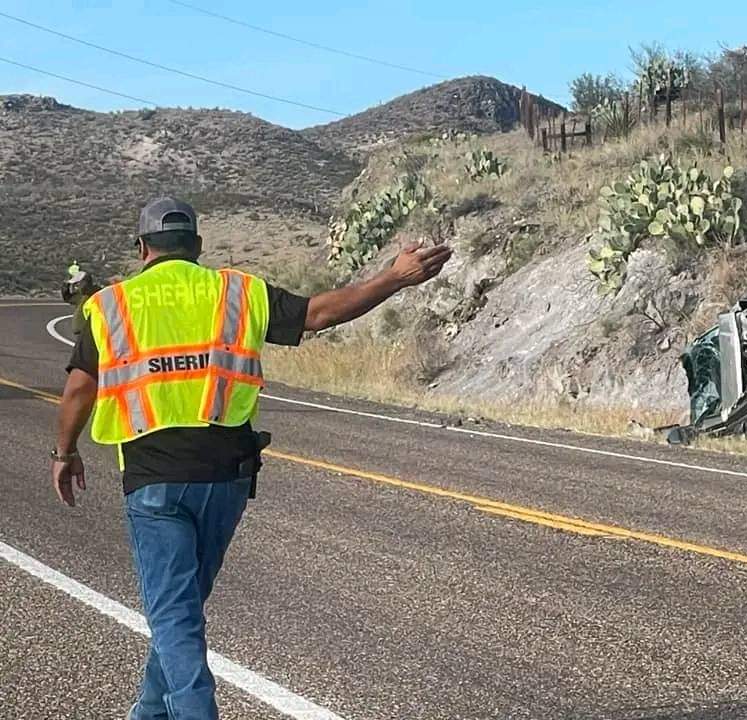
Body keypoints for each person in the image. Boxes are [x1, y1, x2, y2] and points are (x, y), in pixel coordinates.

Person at [51, 197, 452, 720]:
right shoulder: (237, 292)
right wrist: (393, 278)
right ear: (197, 246)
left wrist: (65, 452)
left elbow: (79, 390)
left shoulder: (110, 305)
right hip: (226, 478)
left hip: (154, 479)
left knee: (174, 617)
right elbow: (318, 314)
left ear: (142, 247)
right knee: (180, 612)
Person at [60, 268, 102, 336]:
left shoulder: (94, 293)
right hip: (82, 332)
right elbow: (68, 298)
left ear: (84, 283)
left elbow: (92, 292)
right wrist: (66, 286)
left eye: (78, 284)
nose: (77, 287)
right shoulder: (81, 295)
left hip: (91, 331)